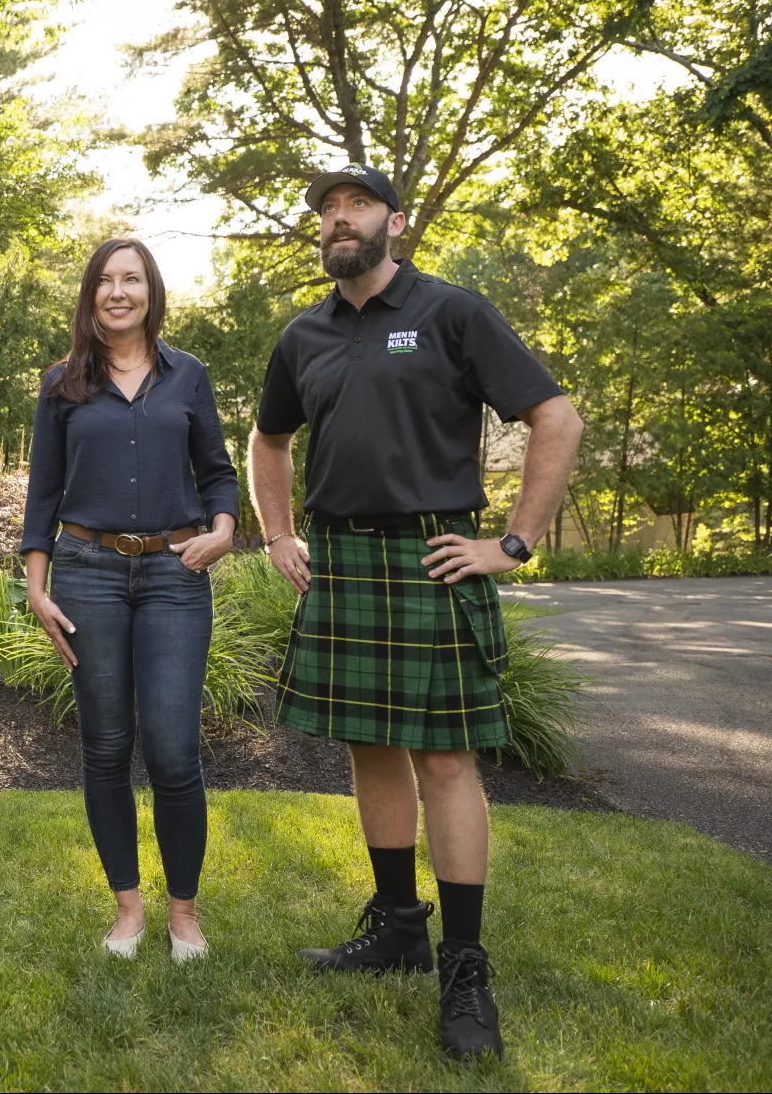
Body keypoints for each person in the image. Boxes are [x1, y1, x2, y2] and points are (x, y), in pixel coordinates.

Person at [248, 164, 583, 1059]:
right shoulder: (303, 334)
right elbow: (268, 440)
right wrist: (278, 533)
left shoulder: (451, 312)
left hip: (436, 557)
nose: (337, 219)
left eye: (355, 204)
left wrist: (510, 544)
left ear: (394, 221)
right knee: (370, 746)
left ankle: (464, 966)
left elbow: (556, 416)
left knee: (445, 760)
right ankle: (399, 924)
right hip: (344, 561)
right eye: (325, 209)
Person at [20, 238, 239, 963]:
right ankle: (127, 910)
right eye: (106, 281)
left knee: (175, 752)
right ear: (90, 295)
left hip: (176, 577)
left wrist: (224, 529)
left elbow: (217, 472)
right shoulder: (62, 385)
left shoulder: (190, 377)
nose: (118, 292)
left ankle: (183, 913)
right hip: (89, 573)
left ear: (151, 292)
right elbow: (42, 493)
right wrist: (36, 586)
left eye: (132, 279)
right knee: (107, 746)